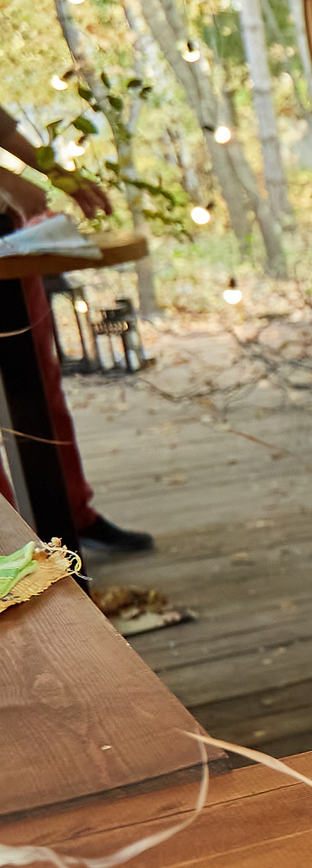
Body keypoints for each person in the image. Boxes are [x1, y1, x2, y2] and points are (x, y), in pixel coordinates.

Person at [0, 109, 151, 556]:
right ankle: (14, 549)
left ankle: (69, 519)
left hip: (8, 236)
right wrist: (6, 180)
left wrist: (59, 173)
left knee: (40, 392)